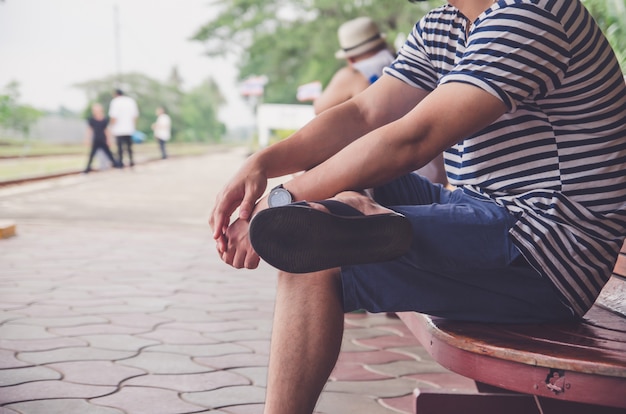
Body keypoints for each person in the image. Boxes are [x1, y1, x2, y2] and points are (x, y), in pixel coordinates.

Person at [210, 1, 626, 413]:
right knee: (324, 181)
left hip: (547, 251)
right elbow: (363, 113)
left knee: (313, 251)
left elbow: (415, 138)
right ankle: (353, 207)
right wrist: (261, 165)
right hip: (479, 210)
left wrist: (281, 202)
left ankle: (351, 212)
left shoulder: (531, 15)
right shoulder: (445, 25)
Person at [316, 16, 447, 186]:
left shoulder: (353, 75)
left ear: (350, 58)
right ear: (381, 43)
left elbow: (319, 108)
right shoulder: (416, 61)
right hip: (436, 174)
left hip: (395, 179)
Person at [83, 103, 120, 173]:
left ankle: (116, 164)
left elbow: (106, 130)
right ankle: (87, 168)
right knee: (92, 154)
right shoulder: (91, 120)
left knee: (109, 153)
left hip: (103, 139)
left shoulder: (104, 119)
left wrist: (109, 139)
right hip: (96, 139)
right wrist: (87, 139)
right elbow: (89, 130)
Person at [108, 89, 139, 168]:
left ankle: (121, 164)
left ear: (115, 94)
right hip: (129, 128)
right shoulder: (130, 101)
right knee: (129, 147)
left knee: (120, 148)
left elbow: (113, 117)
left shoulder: (115, 102)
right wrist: (133, 126)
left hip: (119, 129)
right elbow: (135, 116)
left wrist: (110, 127)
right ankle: (131, 162)